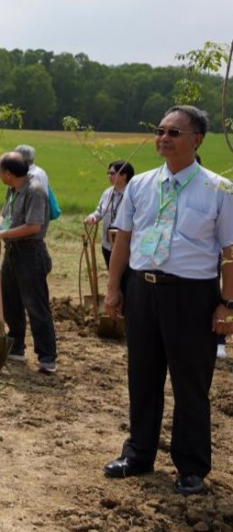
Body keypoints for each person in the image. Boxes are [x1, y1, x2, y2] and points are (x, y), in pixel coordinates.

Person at [102, 105, 233, 496]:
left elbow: (230, 250)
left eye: (173, 132)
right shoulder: (140, 185)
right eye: (160, 131)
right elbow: (122, 238)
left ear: (196, 139)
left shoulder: (218, 190)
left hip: (192, 295)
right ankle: (138, 454)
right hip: (143, 289)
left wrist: (227, 303)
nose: (163, 138)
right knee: (142, 377)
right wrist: (115, 288)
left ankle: (191, 467)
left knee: (191, 384)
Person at [0, 152, 58, 374]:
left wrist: (2, 234)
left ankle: (47, 358)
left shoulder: (35, 191)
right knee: (11, 302)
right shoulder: (12, 189)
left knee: (35, 306)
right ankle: (16, 347)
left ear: (8, 173)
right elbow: (5, 214)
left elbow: (33, 226)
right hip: (13, 251)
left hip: (31, 254)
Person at [84, 160, 134, 269]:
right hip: (107, 244)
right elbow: (100, 211)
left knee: (126, 279)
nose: (109, 176)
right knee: (112, 276)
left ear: (124, 176)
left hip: (126, 245)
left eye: (112, 173)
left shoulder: (133, 194)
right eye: (108, 173)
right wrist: (92, 217)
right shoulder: (108, 192)